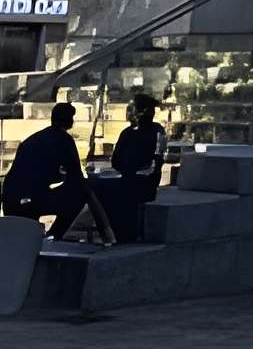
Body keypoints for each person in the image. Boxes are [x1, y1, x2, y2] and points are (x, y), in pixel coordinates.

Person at [1, 101, 96, 235]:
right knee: (80, 195)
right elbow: (76, 176)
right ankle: (55, 236)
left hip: (11, 198)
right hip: (31, 199)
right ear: (69, 120)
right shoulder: (64, 140)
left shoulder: (34, 139)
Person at [103, 93, 165, 241]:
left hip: (140, 182)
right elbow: (117, 161)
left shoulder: (144, 132)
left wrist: (131, 171)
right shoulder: (149, 131)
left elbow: (156, 160)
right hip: (137, 180)